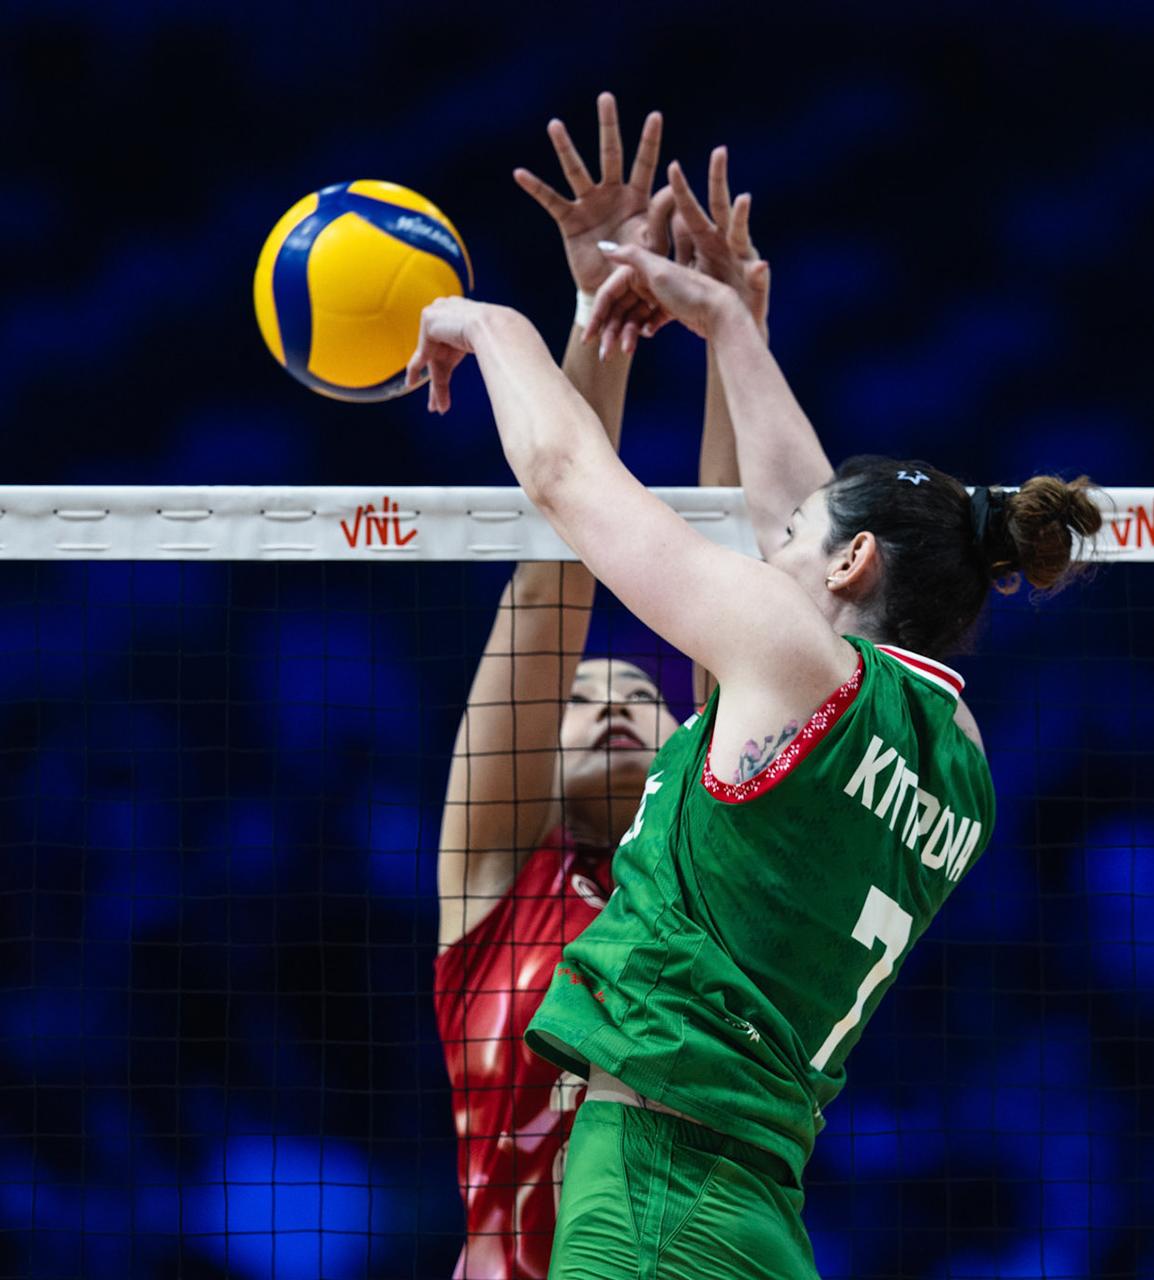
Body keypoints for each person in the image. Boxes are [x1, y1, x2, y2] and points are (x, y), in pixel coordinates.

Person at [406, 163, 1103, 1278]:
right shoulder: (960, 759)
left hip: (649, 1191)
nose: (764, 548)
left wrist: (488, 320)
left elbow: (561, 467)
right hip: (754, 1207)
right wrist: (731, 325)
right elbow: (801, 514)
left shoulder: (792, 665)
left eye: (790, 543)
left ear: (852, 562)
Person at [430, 97, 767, 1279]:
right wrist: (597, 323)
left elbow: (742, 603)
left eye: (644, 691)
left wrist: (737, 340)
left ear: (692, 738)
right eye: (587, 696)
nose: (616, 698)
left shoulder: (710, 876)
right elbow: (551, 581)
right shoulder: (488, 889)